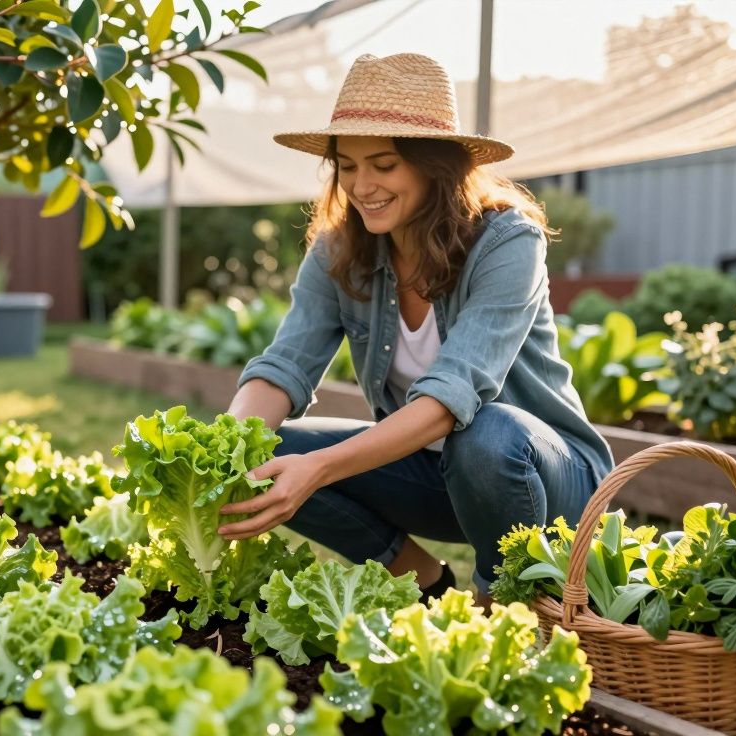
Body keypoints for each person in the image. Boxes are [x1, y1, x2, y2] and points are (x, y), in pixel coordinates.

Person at [218, 53, 614, 605]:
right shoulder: (340, 247)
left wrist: (319, 469)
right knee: (268, 451)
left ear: (435, 165)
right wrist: (226, 449)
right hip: (440, 479)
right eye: (348, 166)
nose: (362, 185)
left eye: (384, 164)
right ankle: (425, 581)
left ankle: (507, 606)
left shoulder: (507, 242)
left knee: (485, 433)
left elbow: (453, 399)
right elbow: (286, 363)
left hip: (546, 482)